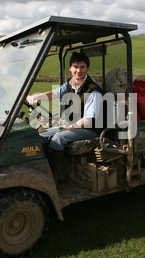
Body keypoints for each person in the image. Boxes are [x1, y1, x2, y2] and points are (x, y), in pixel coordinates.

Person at [26, 51, 103, 180]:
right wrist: (35, 97)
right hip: (73, 126)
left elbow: (88, 120)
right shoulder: (70, 84)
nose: (78, 70)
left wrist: (68, 127)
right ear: (70, 68)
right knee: (41, 135)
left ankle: (58, 176)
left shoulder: (93, 91)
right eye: (75, 67)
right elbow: (53, 94)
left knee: (58, 138)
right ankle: (41, 171)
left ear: (87, 68)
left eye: (82, 67)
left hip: (90, 129)